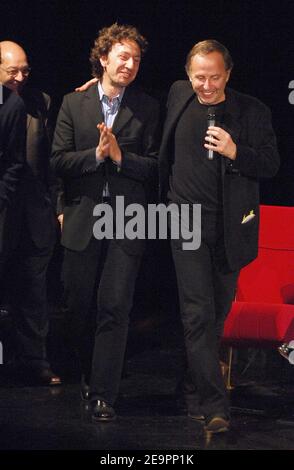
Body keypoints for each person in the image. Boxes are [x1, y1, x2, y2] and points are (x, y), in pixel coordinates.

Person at [159, 39, 280, 433]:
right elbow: (129, 94)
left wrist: (235, 151)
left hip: (230, 230)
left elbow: (270, 164)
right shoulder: (179, 95)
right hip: (185, 224)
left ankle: (193, 389)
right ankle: (217, 407)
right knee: (196, 315)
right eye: (198, 77)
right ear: (187, 75)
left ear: (228, 73)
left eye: (213, 77)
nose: (206, 85)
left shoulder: (252, 110)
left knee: (213, 319)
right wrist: (95, 83)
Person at [51, 23, 160, 421]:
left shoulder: (148, 107)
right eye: (123, 56)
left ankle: (104, 394)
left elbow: (156, 169)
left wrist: (120, 158)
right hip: (82, 219)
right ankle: (85, 372)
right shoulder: (73, 104)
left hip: (127, 222)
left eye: (136, 58)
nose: (130, 64)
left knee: (115, 306)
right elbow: (58, 160)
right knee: (79, 306)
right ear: (103, 59)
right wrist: (95, 157)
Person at [0, 41, 60, 385]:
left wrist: (55, 205)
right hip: (3, 206)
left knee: (34, 290)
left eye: (25, 70)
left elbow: (51, 160)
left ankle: (34, 360)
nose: (20, 77)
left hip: (33, 209)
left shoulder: (41, 103)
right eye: (13, 71)